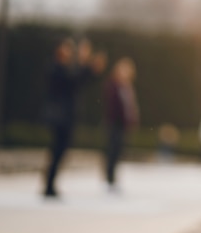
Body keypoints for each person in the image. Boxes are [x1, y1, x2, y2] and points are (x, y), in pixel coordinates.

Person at [42, 37, 107, 198]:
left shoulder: (65, 69)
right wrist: (86, 64)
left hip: (66, 117)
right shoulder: (56, 69)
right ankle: (49, 184)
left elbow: (79, 81)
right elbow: (73, 80)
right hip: (60, 117)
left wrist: (90, 68)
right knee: (58, 149)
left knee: (61, 150)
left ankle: (51, 183)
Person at [103, 56, 139, 191]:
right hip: (114, 123)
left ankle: (113, 178)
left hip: (122, 124)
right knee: (112, 150)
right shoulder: (113, 85)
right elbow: (113, 106)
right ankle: (109, 178)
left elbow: (130, 107)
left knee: (118, 151)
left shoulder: (127, 87)